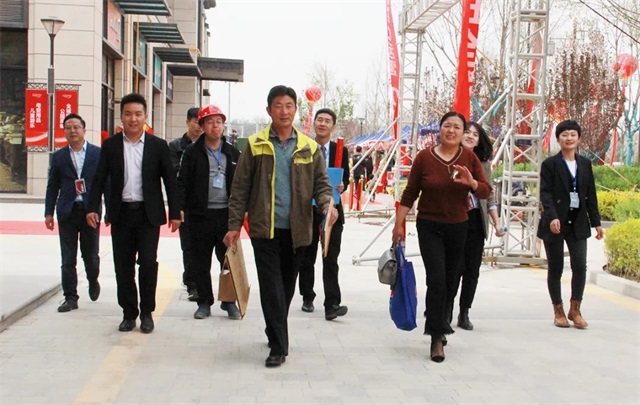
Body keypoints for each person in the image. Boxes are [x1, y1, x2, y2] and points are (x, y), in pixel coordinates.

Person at [223, 85, 337, 368]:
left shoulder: (309, 147)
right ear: (269, 110)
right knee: (271, 287)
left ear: (296, 109)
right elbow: (240, 188)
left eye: (288, 106)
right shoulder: (256, 145)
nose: (284, 111)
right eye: (278, 106)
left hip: (298, 231)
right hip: (264, 229)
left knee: (285, 288)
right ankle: (278, 347)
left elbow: (322, 185)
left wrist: (327, 205)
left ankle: (274, 328)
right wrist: (234, 225)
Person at [392, 111, 491, 363]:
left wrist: (472, 183)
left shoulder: (469, 158)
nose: (451, 130)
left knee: (450, 280)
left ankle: (439, 320)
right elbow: (410, 192)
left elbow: (485, 191)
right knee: (436, 279)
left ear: (463, 133)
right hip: (429, 226)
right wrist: (398, 224)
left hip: (459, 227)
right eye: (447, 125)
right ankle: (436, 337)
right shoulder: (424, 158)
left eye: (457, 127)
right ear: (440, 129)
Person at [87, 93, 181, 334]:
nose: (133, 119)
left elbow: (170, 181)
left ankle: (147, 312)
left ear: (145, 116)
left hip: (148, 215)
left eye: (138, 114)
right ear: (121, 117)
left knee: (148, 263)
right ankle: (129, 314)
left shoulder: (158, 146)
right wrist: (92, 208)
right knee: (123, 266)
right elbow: (99, 179)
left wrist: (175, 212)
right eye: (128, 114)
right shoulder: (111, 146)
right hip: (121, 214)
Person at [177, 105, 242, 320]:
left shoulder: (233, 153)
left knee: (228, 261)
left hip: (226, 215)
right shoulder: (192, 152)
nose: (215, 126)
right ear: (202, 126)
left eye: (219, 122)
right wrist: (180, 209)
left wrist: (242, 212)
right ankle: (204, 301)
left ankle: (229, 301)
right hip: (199, 215)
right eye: (210, 122)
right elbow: (182, 182)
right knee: (200, 261)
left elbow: (242, 184)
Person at [537, 120, 603, 329]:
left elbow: (590, 194)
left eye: (573, 134)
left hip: (578, 222)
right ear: (558, 139)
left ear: (579, 138)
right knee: (555, 268)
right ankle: (558, 311)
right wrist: (552, 216)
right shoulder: (550, 164)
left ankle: (575, 310)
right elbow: (545, 193)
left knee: (580, 266)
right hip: (555, 223)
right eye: (564, 135)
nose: (569, 138)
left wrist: (596, 222)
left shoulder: (585, 164)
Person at [450, 121, 505, 330]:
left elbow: (489, 197)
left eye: (475, 134)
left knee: (472, 271)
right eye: (467, 132)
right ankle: (446, 310)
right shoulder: (449, 159)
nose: (470, 136)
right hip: (453, 220)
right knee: (453, 268)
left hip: (475, 222)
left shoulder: (483, 165)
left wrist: (497, 224)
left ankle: (464, 312)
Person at [44, 113, 102, 312]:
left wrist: (110, 211)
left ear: (84, 129)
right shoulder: (59, 156)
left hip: (90, 212)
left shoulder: (97, 153)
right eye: (68, 128)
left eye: (76, 127)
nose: (72, 131)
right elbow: (52, 186)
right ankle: (70, 297)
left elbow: (106, 183)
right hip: (67, 211)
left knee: (90, 255)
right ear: (64, 131)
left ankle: (93, 279)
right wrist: (48, 212)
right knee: (68, 257)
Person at [298, 108, 350, 320]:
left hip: (332, 210)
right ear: (314, 124)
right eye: (319, 120)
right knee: (307, 256)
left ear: (333, 126)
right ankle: (307, 296)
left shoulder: (340, 150)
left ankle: (332, 304)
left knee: (331, 257)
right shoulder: (304, 147)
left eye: (327, 121)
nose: (322, 123)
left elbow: (345, 177)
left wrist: (343, 185)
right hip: (308, 210)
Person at [169, 107, 203, 301]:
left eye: (201, 122)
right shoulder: (176, 147)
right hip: (185, 204)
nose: (199, 126)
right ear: (188, 122)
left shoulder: (211, 145)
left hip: (205, 204)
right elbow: (175, 173)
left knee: (203, 247)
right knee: (188, 246)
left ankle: (199, 281)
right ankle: (192, 284)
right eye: (196, 122)